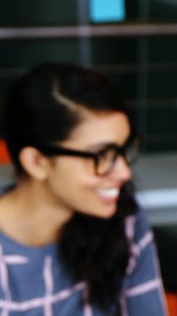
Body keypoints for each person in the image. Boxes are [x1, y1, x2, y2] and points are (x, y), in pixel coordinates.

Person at [0, 63, 166, 314]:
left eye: (123, 150)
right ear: (37, 162)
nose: (124, 172)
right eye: (101, 155)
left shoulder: (124, 220)